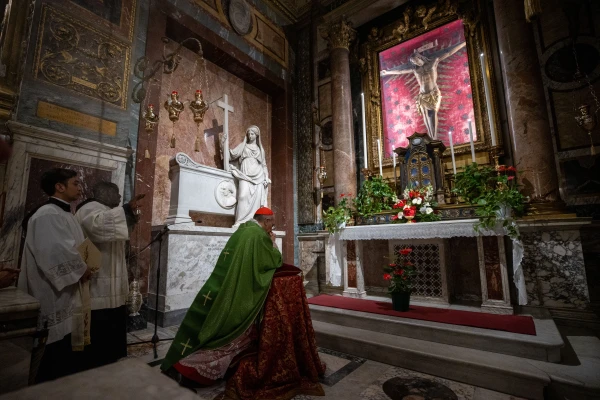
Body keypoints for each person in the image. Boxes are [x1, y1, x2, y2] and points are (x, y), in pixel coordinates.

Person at [162, 207, 325, 399]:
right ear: (265, 221)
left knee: (215, 329)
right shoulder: (259, 236)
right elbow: (274, 262)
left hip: (228, 290)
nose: (273, 226)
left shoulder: (244, 229)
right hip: (243, 296)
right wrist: (272, 243)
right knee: (232, 339)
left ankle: (181, 366)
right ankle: (187, 372)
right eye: (272, 222)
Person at [18, 168, 91, 383]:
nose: (80, 188)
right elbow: (54, 253)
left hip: (68, 290)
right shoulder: (47, 214)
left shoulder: (66, 213)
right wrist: (81, 269)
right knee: (50, 358)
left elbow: (74, 248)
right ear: (59, 187)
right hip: (51, 291)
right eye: (75, 183)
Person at [74, 182, 144, 368]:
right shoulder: (89, 208)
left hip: (113, 276)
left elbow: (119, 233)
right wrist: (126, 209)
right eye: (116, 193)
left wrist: (130, 217)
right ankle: (98, 364)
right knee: (101, 327)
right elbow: (98, 228)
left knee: (114, 321)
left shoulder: (107, 210)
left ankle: (113, 361)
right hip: (98, 280)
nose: (119, 197)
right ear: (104, 192)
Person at [380, 42, 466, 139]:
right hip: (422, 95)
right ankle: (430, 136)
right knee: (425, 115)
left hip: (433, 92)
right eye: (413, 62)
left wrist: (463, 44)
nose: (415, 63)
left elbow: (449, 53)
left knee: (432, 113)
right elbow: (401, 71)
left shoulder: (433, 62)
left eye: (416, 60)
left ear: (420, 57)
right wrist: (387, 72)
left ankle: (434, 136)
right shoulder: (416, 69)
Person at [225, 125, 271, 227]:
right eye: (249, 134)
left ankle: (253, 221)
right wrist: (224, 144)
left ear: (256, 135)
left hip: (258, 176)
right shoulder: (244, 146)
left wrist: (266, 177)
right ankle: (240, 221)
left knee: (256, 201)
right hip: (245, 174)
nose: (250, 136)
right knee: (242, 196)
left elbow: (264, 165)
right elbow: (232, 154)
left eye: (252, 134)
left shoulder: (260, 150)